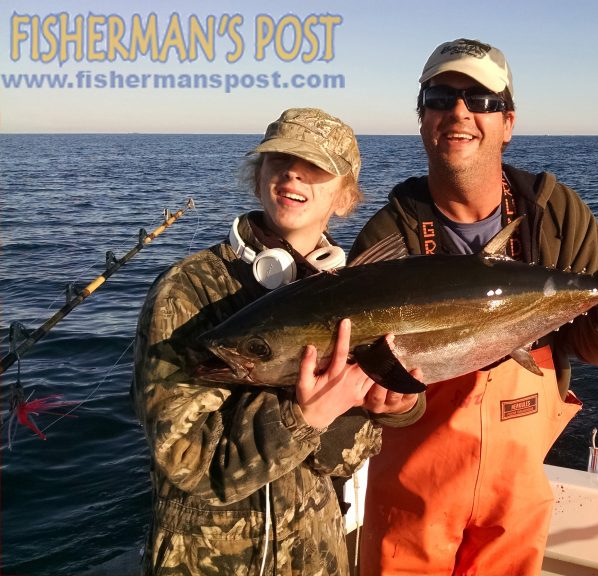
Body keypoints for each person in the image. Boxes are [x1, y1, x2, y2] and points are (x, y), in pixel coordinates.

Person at [352, 39, 598, 575]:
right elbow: (365, 384)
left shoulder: (553, 212)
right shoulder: (390, 235)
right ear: (422, 116)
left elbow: (592, 346)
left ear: (508, 121)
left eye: (481, 100)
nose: (459, 112)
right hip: (411, 493)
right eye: (441, 96)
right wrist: (387, 401)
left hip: (515, 485)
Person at [132, 108, 422, 576]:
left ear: (345, 197)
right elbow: (185, 458)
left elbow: (340, 460)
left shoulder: (360, 296)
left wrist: (387, 407)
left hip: (317, 557)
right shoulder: (187, 291)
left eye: (316, 167)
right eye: (279, 160)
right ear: (259, 175)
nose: (292, 173)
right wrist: (301, 416)